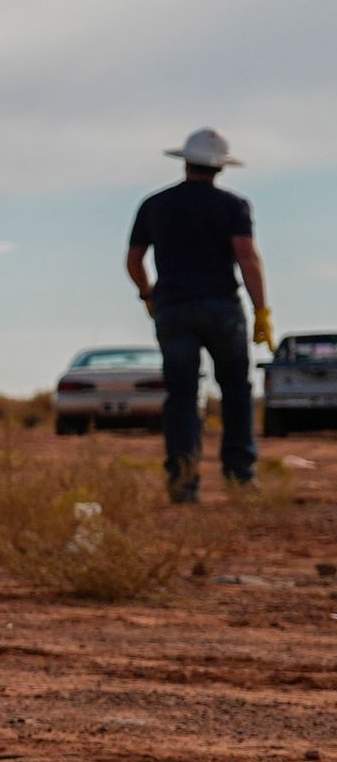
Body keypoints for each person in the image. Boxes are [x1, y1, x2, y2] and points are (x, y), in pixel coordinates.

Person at [128, 128, 270, 502]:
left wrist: (147, 294)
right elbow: (246, 257)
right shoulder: (232, 206)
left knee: (181, 396)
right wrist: (261, 310)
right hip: (222, 308)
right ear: (220, 168)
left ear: (186, 162)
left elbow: (133, 260)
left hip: (173, 309)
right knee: (236, 391)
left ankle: (183, 481)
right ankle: (241, 477)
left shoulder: (155, 205)